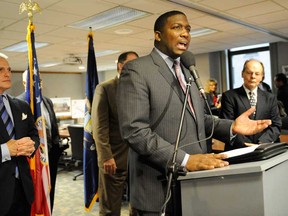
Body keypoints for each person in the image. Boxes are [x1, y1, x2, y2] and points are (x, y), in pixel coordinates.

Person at [116, 10, 272, 215]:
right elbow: (135, 131)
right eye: (177, 27)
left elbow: (199, 119)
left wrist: (231, 126)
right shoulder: (138, 70)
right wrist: (185, 160)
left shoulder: (188, 71)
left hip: (195, 184)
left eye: (188, 29)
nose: (185, 33)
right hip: (158, 188)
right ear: (157, 35)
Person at [91, 51, 139, 216]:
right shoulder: (105, 88)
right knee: (110, 209)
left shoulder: (140, 88)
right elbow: (99, 127)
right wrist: (106, 156)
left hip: (139, 159)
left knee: (139, 206)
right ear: (120, 66)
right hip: (113, 159)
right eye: (131, 63)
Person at [17, 70, 66, 212]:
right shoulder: (18, 103)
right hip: (32, 158)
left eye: (39, 80)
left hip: (51, 155)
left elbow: (53, 125)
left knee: (50, 189)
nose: (37, 84)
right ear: (24, 83)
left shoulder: (47, 101)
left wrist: (56, 145)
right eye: (32, 81)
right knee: (34, 193)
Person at [0, 57, 39, 215]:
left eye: (8, 69)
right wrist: (5, 150)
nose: (7, 74)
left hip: (23, 189)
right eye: (0, 70)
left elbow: (33, 134)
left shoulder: (21, 105)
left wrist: (30, 145)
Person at [220, 59, 281, 150]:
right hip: (238, 148)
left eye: (257, 74)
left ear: (262, 77)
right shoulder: (229, 96)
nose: (253, 76)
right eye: (249, 72)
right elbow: (227, 125)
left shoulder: (270, 98)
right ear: (242, 74)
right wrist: (247, 145)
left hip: (264, 148)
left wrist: (261, 143)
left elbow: (276, 125)